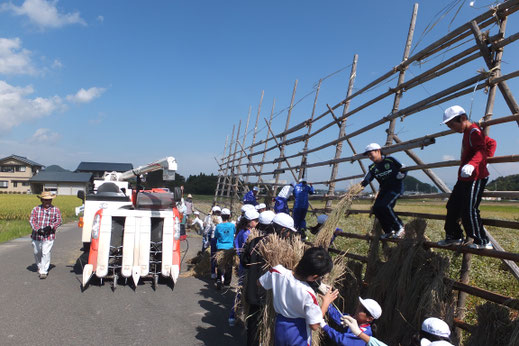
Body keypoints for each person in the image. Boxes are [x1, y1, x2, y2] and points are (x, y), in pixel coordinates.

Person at [438, 105, 495, 249]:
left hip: (475, 176)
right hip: (464, 177)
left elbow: (481, 149)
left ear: (463, 118)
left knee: (469, 209)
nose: (452, 128)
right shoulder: (468, 132)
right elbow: (490, 143)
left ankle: (481, 241)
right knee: (452, 206)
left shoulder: (474, 131)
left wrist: (475, 163)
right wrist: (485, 159)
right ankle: (454, 236)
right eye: (449, 126)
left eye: (452, 124)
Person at [259, 247, 333, 346]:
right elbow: (314, 325)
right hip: (298, 333)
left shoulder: (277, 271)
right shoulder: (308, 293)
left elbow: (259, 283)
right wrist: (326, 303)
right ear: (314, 277)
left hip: (280, 326)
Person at [241, 210, 275, 345]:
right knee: (269, 324)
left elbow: (244, 263)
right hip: (271, 293)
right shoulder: (280, 245)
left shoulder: (254, 242)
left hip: (254, 290)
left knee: (253, 324)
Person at [361, 142, 406, 239]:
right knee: (377, 208)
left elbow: (403, 168)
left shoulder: (390, 160)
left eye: (370, 153)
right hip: (384, 190)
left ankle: (400, 227)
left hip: (395, 187)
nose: (369, 156)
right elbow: (367, 179)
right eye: (368, 155)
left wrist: (402, 175)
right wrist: (359, 187)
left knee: (386, 206)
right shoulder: (372, 167)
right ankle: (389, 230)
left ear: (378, 151)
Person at [29, 191, 62, 279]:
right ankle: (40, 266)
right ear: (42, 200)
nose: (48, 202)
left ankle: (44, 271)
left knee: (45, 252)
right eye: (46, 200)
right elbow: (32, 220)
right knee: (37, 252)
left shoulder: (56, 209)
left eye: (49, 200)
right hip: (37, 235)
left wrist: (51, 227)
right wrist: (38, 229)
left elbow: (58, 221)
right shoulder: (36, 209)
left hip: (49, 235)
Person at [214, 208, 236, 289]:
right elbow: (234, 233)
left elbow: (216, 236)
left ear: (221, 216)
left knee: (220, 264)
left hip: (220, 247)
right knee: (228, 265)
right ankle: (227, 283)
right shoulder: (232, 225)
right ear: (229, 216)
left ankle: (219, 279)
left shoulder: (218, 226)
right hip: (229, 247)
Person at [202, 206, 222, 279]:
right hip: (221, 239)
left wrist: (204, 233)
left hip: (214, 238)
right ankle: (221, 274)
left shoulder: (211, 218)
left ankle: (213, 273)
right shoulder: (222, 218)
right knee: (221, 255)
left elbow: (207, 228)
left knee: (213, 256)